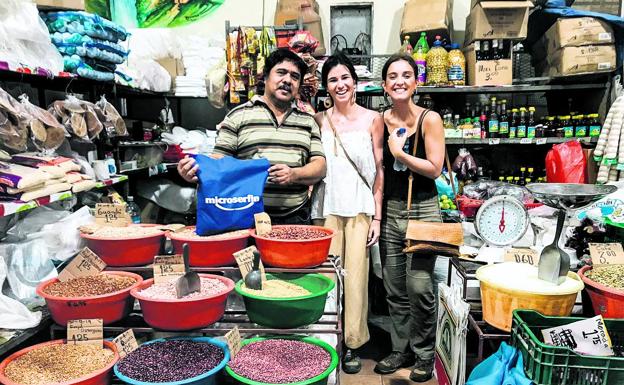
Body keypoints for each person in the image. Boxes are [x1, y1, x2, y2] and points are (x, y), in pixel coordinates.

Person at [177, 48, 326, 224]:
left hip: (295, 218)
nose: (287, 80)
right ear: (265, 77)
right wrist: (195, 171)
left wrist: (293, 174)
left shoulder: (308, 121)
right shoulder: (238, 115)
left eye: (295, 77)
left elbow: (320, 166)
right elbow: (219, 161)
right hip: (246, 218)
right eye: (281, 72)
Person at [373, 54, 445, 383]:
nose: (399, 81)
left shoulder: (430, 119)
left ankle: (424, 353)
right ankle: (399, 348)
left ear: (416, 82)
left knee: (419, 288)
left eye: (406, 75)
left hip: (425, 209)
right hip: (390, 210)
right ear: (385, 85)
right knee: (394, 287)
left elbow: (435, 168)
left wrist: (401, 153)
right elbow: (378, 169)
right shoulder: (379, 121)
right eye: (392, 76)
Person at [310, 54, 384, 374]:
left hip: (359, 209)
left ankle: (351, 345)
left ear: (354, 82)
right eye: (333, 80)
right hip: (324, 208)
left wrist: (377, 218)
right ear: (326, 86)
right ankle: (327, 340)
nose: (340, 85)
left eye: (344, 78)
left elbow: (380, 171)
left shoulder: (373, 119)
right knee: (327, 279)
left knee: (355, 282)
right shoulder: (318, 120)